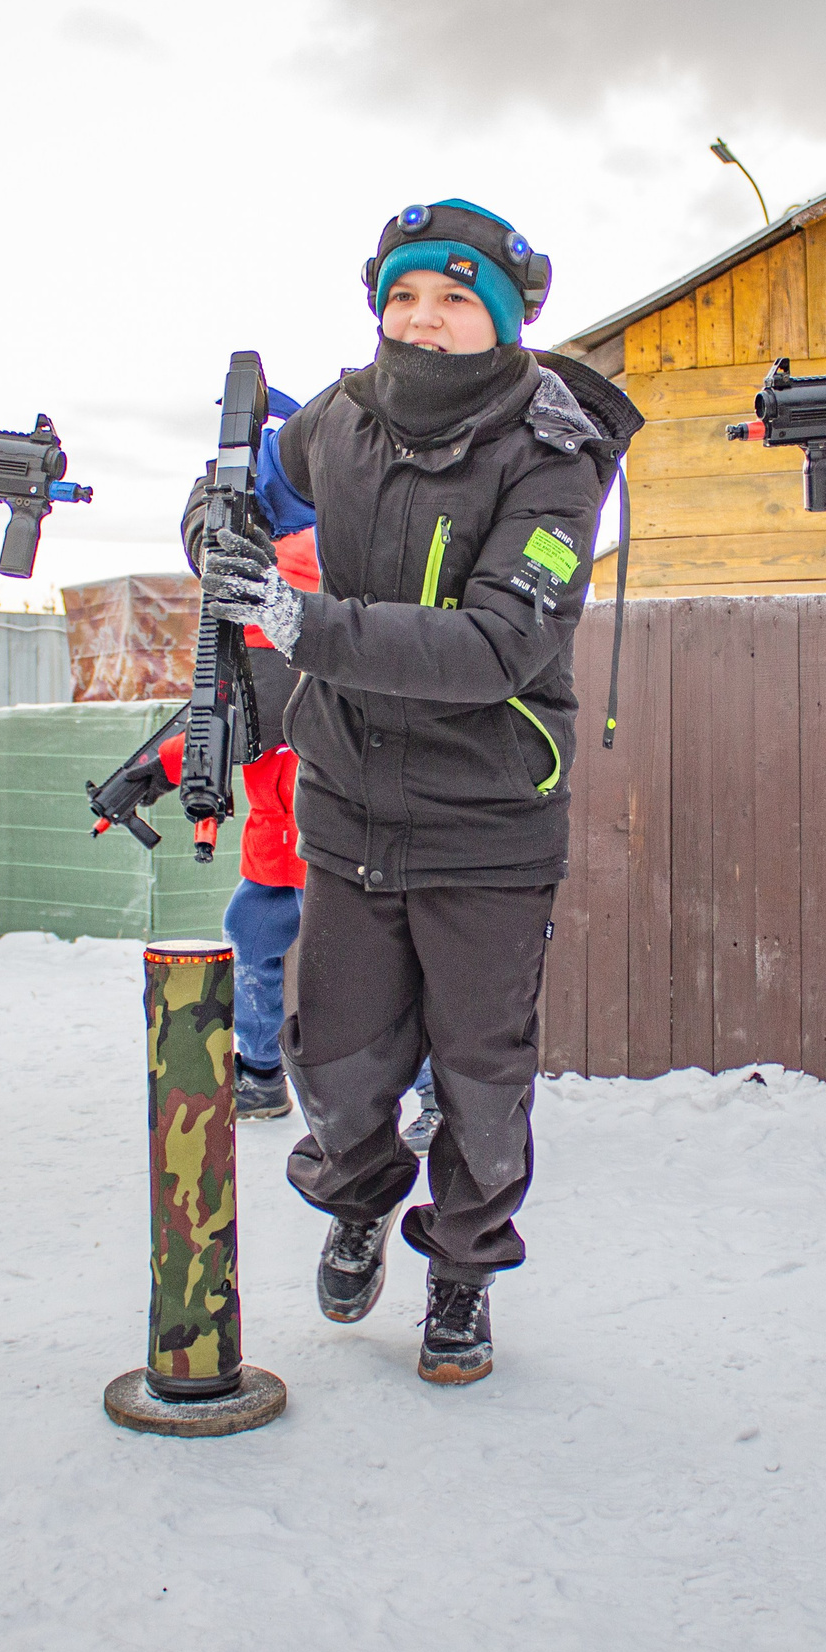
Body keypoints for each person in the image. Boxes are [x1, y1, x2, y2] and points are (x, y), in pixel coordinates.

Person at [193, 198, 640, 1384]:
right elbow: (243, 492)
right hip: (348, 803)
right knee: (336, 1063)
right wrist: (213, 527)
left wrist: (298, 621)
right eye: (403, 297)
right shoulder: (341, 418)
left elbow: (498, 645)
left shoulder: (554, 454)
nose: (424, 322)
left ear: (500, 317)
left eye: (453, 300)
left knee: (480, 1076)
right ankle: (355, 1203)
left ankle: (461, 1275)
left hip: (487, 815)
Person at [90, 401, 443, 1138]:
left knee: (381, 969)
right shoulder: (250, 602)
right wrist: (148, 773)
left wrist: (157, 766)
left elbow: (253, 703)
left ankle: (433, 1088)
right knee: (252, 930)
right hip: (277, 838)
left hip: (350, 831)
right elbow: (227, 717)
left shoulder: (321, 580)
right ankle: (256, 1073)